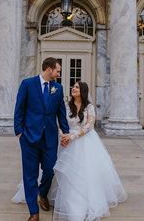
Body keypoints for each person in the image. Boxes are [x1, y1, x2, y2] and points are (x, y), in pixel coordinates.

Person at [48, 81, 127, 221]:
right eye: (73, 86)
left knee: (84, 172)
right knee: (67, 171)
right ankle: (67, 199)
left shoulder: (89, 107)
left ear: (83, 90)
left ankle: (85, 202)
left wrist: (73, 136)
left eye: (77, 87)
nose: (73, 88)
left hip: (84, 141)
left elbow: (90, 125)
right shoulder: (67, 106)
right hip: (67, 141)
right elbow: (60, 121)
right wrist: (63, 135)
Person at [14, 57, 70, 221]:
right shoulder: (27, 84)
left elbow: (61, 113)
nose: (59, 74)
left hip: (50, 138)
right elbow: (19, 109)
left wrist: (65, 133)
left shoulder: (58, 88)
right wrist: (19, 132)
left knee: (50, 168)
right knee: (30, 174)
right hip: (29, 138)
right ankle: (34, 212)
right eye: (57, 71)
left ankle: (43, 193)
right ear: (49, 69)